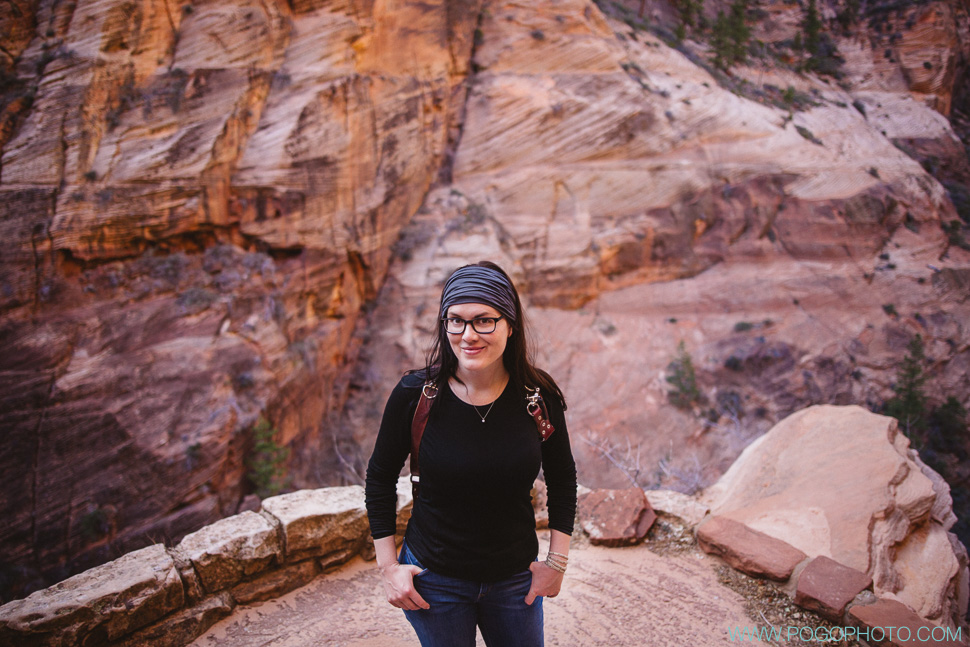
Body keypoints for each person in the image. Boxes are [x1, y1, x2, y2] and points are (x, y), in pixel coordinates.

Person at [364, 261, 578, 647]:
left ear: (510, 325)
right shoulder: (416, 395)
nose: (467, 335)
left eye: (484, 321)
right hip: (434, 580)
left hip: (515, 583)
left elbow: (562, 478)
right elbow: (379, 476)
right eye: (456, 321)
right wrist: (388, 568)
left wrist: (556, 564)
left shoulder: (537, 398)